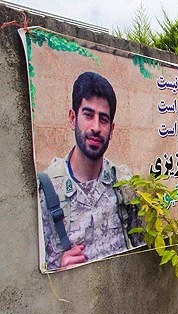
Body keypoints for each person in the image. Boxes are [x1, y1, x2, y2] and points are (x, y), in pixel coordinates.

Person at [37, 71, 143, 272]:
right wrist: (57, 269)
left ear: (111, 130)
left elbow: (143, 251)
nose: (96, 127)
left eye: (103, 119)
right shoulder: (46, 191)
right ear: (72, 118)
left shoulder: (123, 184)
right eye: (88, 115)